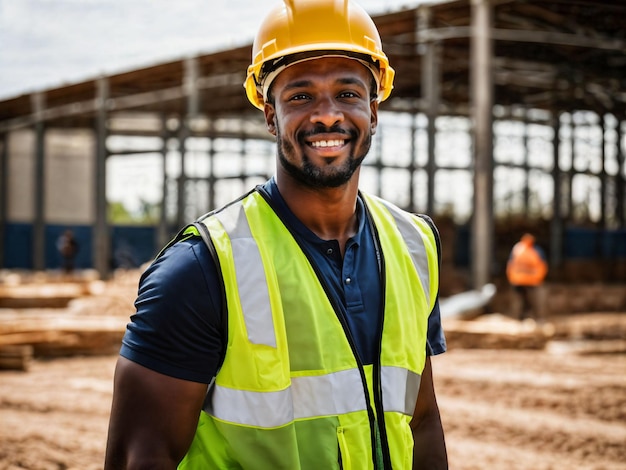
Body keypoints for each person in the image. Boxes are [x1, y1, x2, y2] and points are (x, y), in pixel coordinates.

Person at [105, 1, 448, 468]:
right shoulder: (202, 269)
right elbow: (140, 457)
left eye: (347, 93)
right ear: (270, 115)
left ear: (374, 107)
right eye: (301, 96)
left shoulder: (414, 245)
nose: (327, 116)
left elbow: (421, 420)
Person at [506, 233, 549, 321]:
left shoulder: (516, 249)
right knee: (535, 302)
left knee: (520, 302)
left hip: (517, 280)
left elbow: (510, 265)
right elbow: (542, 266)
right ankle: (538, 319)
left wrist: (511, 278)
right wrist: (539, 279)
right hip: (532, 281)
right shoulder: (536, 250)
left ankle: (518, 318)